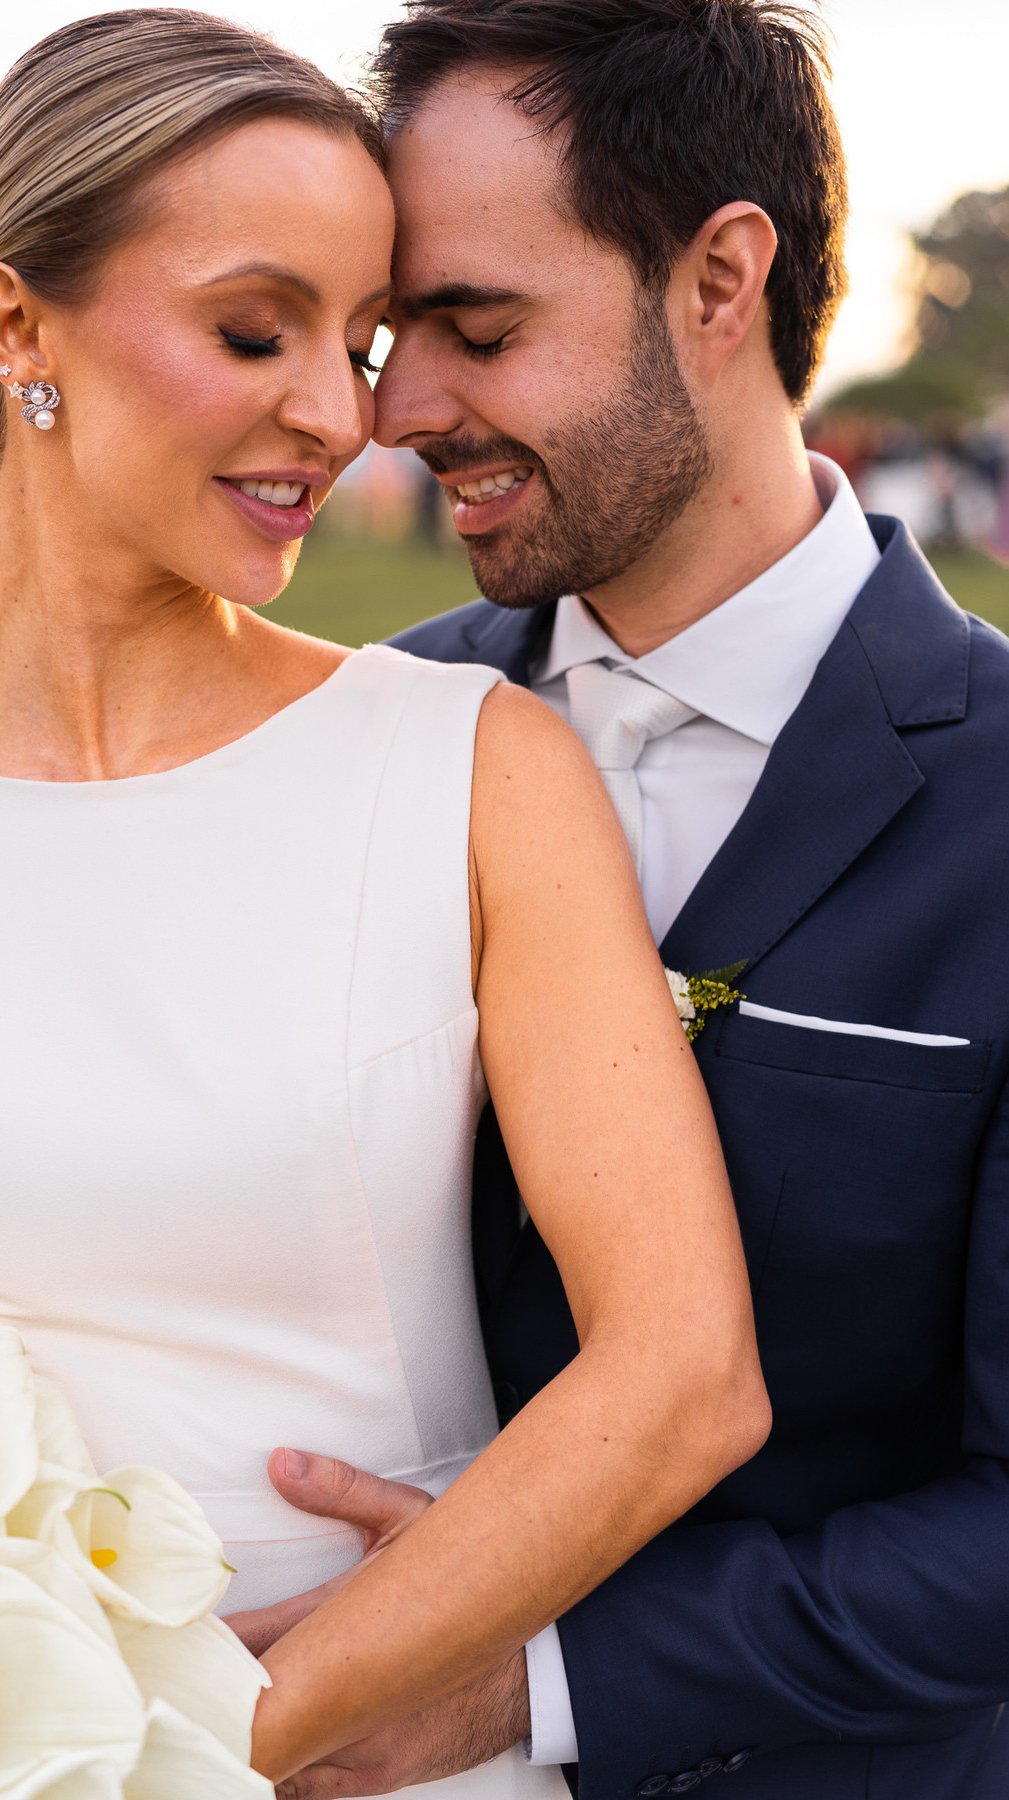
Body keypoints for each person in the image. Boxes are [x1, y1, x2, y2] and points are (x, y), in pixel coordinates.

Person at [0, 9, 770, 1798]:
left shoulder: (470, 768)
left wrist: (198, 1743)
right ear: (12, 324)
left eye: (363, 340)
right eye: (258, 332)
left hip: (375, 1751)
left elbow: (685, 1376)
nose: (344, 416)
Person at [230, 3, 1009, 1797]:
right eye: (391, 338)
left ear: (720, 281)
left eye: (481, 329)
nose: (396, 413)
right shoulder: (357, 737)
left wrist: (532, 1680)